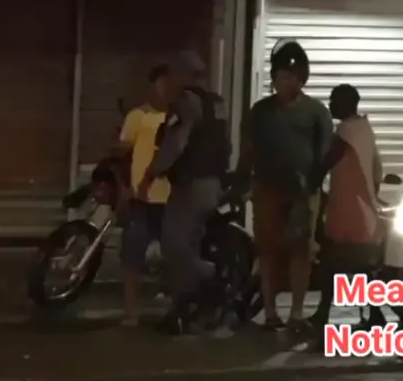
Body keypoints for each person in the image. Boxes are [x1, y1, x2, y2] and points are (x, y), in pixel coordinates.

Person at [237, 41, 333, 332]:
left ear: (302, 78)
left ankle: (296, 313)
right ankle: (269, 312)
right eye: (281, 76)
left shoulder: (317, 112)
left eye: (292, 77)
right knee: (268, 250)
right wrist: (242, 182)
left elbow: (325, 154)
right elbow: (248, 150)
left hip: (304, 193)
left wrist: (314, 187)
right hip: (267, 190)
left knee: (301, 251)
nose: (286, 82)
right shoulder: (260, 112)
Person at [137, 51, 230, 334]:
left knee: (173, 246)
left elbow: (175, 144)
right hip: (213, 184)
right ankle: (184, 312)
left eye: (171, 76)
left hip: (190, 186)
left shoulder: (186, 102)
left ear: (181, 76)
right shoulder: (217, 103)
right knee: (189, 244)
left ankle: (210, 277)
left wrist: (150, 174)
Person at [308, 84, 386, 339]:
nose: (330, 105)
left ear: (346, 103)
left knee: (332, 265)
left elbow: (328, 160)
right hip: (362, 211)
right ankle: (375, 313)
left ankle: (324, 313)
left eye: (334, 100)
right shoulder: (365, 129)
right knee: (361, 267)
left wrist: (310, 183)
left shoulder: (346, 130)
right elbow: (377, 170)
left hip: (349, 214)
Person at [115, 65, 172, 327]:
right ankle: (130, 312)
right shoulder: (138, 116)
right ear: (152, 86)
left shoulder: (178, 117)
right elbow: (123, 155)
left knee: (174, 256)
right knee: (133, 254)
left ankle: (172, 308)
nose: (165, 89)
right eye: (161, 83)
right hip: (142, 198)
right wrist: (125, 187)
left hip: (171, 199)